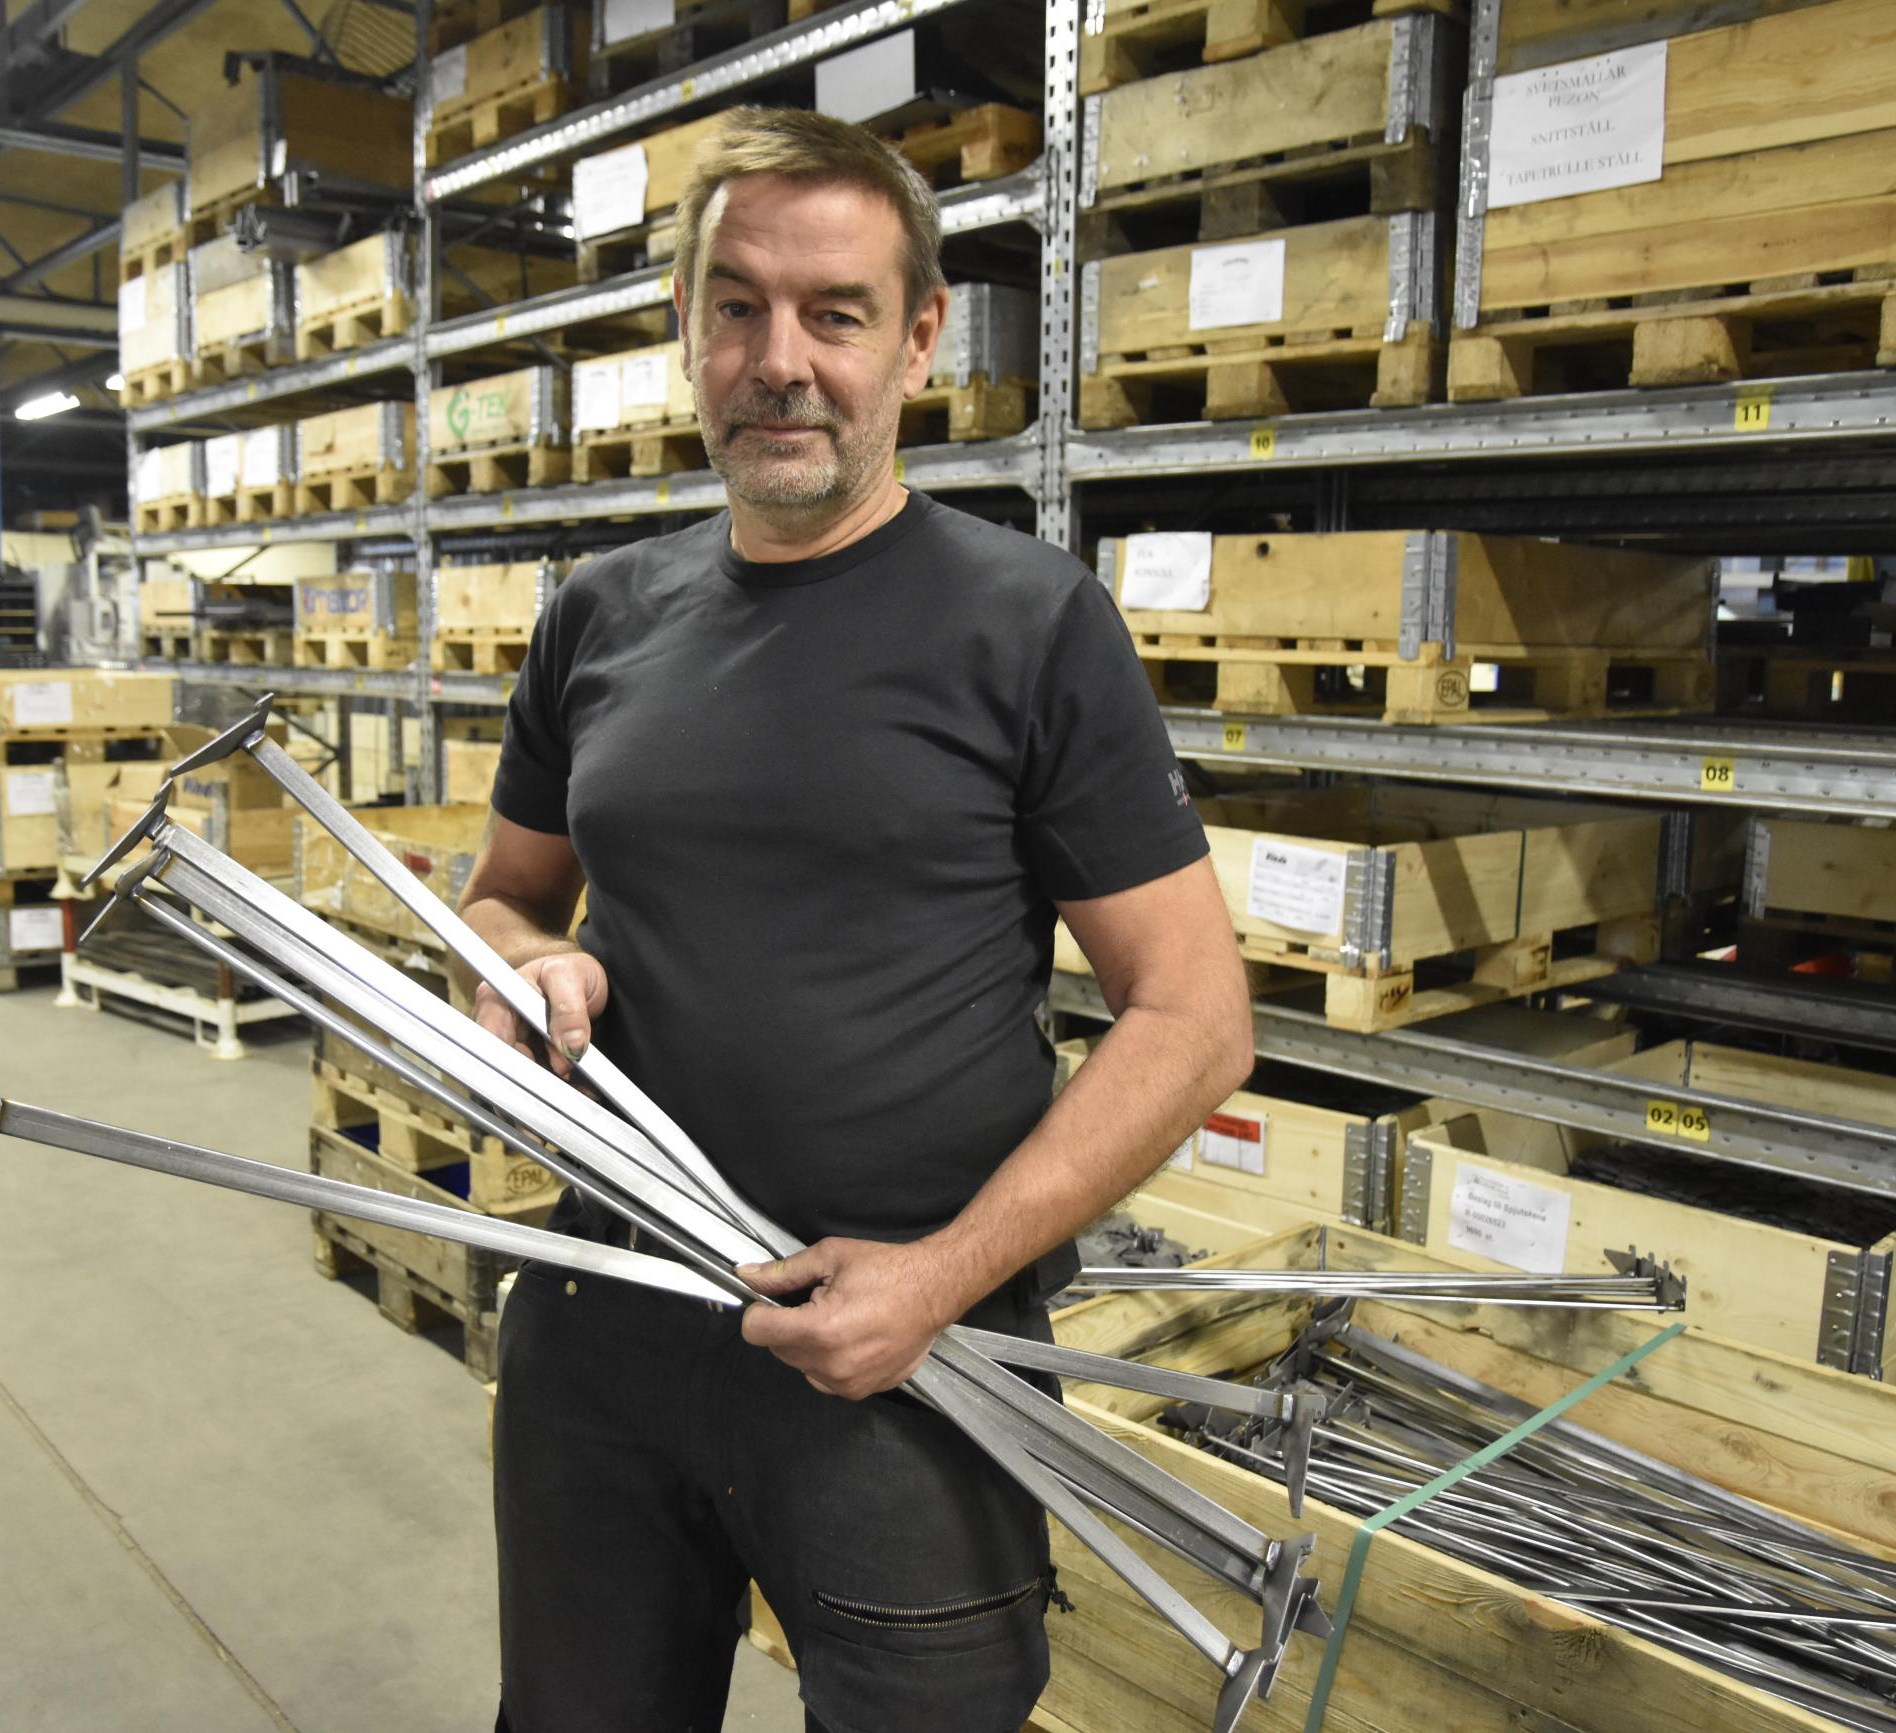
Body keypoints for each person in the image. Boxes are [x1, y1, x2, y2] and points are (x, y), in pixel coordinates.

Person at [461, 106, 1254, 1733]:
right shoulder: (599, 615)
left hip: (912, 1363)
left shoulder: (1030, 625)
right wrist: (524, 964)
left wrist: (941, 1277)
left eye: (835, 313)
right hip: (605, 1317)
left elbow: (1194, 1018)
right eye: (738, 307)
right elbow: (505, 897)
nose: (782, 362)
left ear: (919, 338)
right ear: (684, 328)